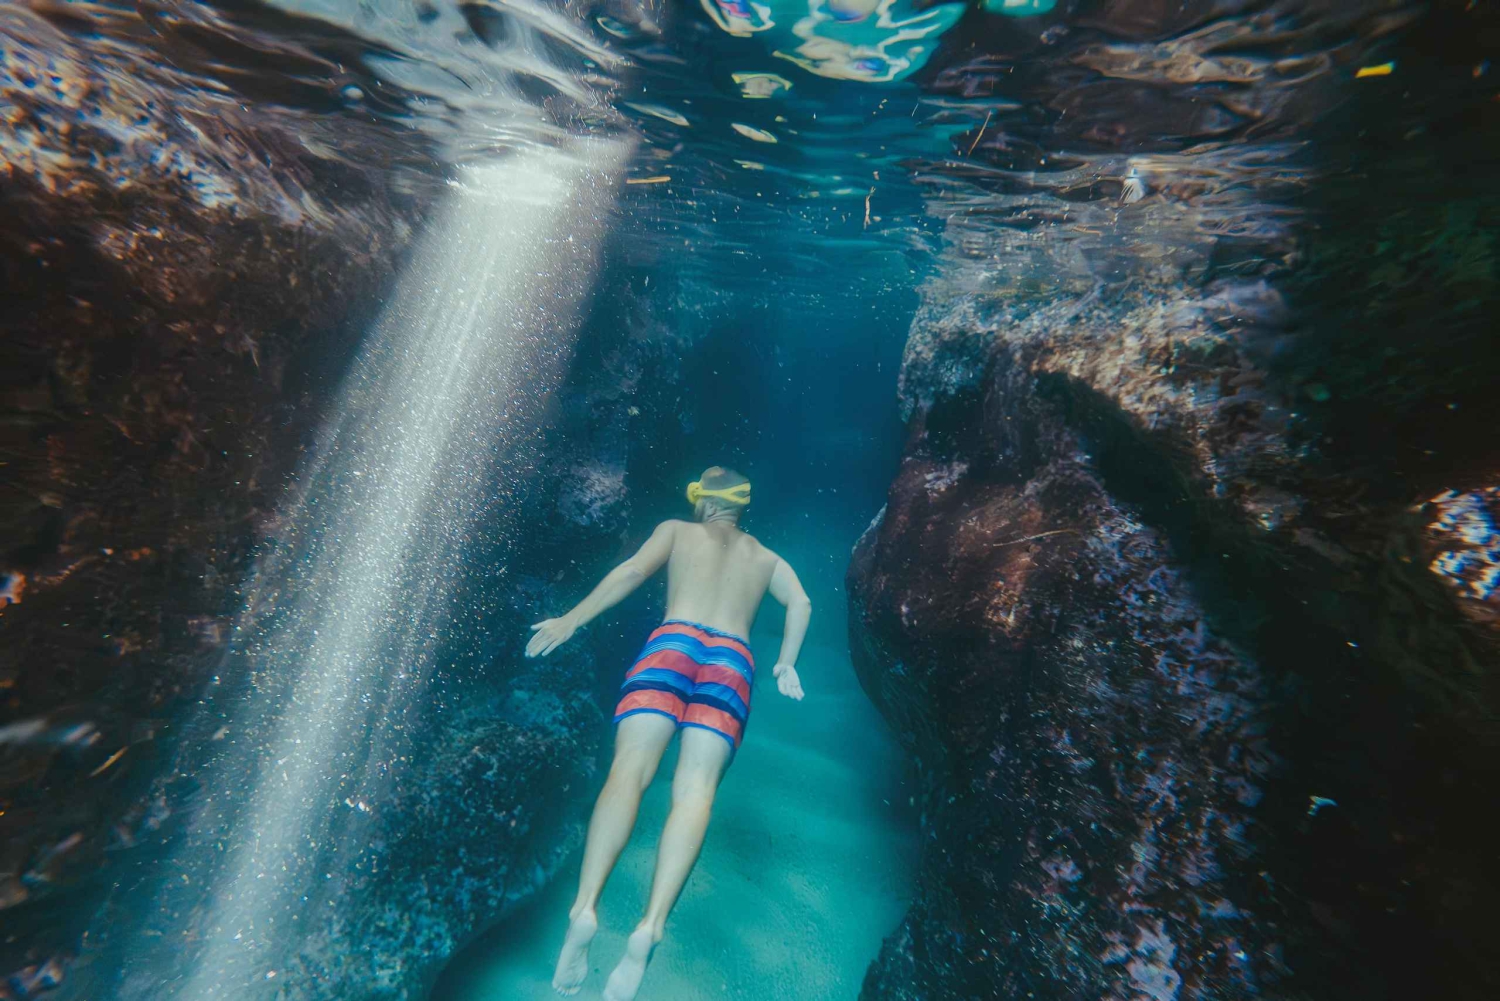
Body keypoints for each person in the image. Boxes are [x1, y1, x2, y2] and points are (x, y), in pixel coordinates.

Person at [525, 466, 812, 1000]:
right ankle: (649, 929)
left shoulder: (677, 530)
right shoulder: (767, 558)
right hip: (732, 659)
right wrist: (786, 662)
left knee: (629, 772)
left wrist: (572, 618)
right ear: (742, 506)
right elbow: (801, 602)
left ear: (702, 501)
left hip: (673, 644)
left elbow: (632, 572)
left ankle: (585, 908)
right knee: (696, 793)